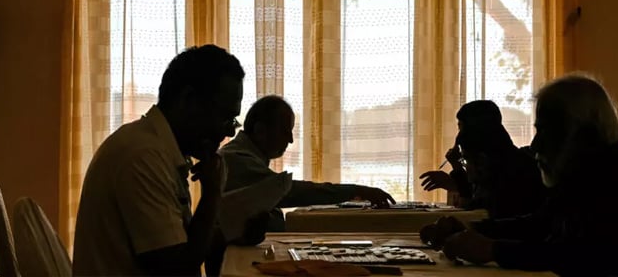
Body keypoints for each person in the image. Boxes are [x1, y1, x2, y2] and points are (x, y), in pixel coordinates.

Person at [422, 75, 618, 276]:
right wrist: (469, 228)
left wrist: (491, 249)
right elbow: (539, 224)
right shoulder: (586, 179)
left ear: (581, 133)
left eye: (544, 132)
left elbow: (580, 256)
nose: (535, 146)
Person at [73, 45, 244, 276]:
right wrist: (212, 195)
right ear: (189, 100)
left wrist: (230, 233)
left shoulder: (157, 148)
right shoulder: (142, 156)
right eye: (226, 118)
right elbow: (177, 268)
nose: (230, 133)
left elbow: (182, 246)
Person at [219, 95, 396, 231]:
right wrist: (356, 191)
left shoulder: (242, 156)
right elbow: (291, 192)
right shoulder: (236, 160)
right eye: (284, 131)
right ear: (260, 130)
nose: (290, 140)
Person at [419, 100, 545, 219]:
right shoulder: (508, 159)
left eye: (461, 127)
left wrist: (458, 177)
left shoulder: (506, 172)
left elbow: (476, 210)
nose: (459, 135)